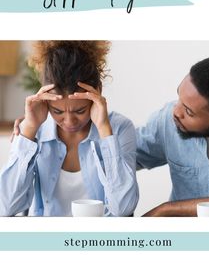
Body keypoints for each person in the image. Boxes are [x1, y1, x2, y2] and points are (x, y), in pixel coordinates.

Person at [0, 41, 139, 216]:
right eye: (57, 111)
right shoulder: (34, 129)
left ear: (97, 93)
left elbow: (124, 209)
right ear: (45, 99)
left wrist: (104, 130)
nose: (69, 121)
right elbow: (5, 207)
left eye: (80, 110)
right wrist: (29, 128)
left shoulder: (119, 128)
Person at [136, 55, 209, 216]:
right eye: (179, 98)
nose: (176, 112)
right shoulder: (167, 119)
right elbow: (125, 156)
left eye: (188, 112)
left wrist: (167, 210)